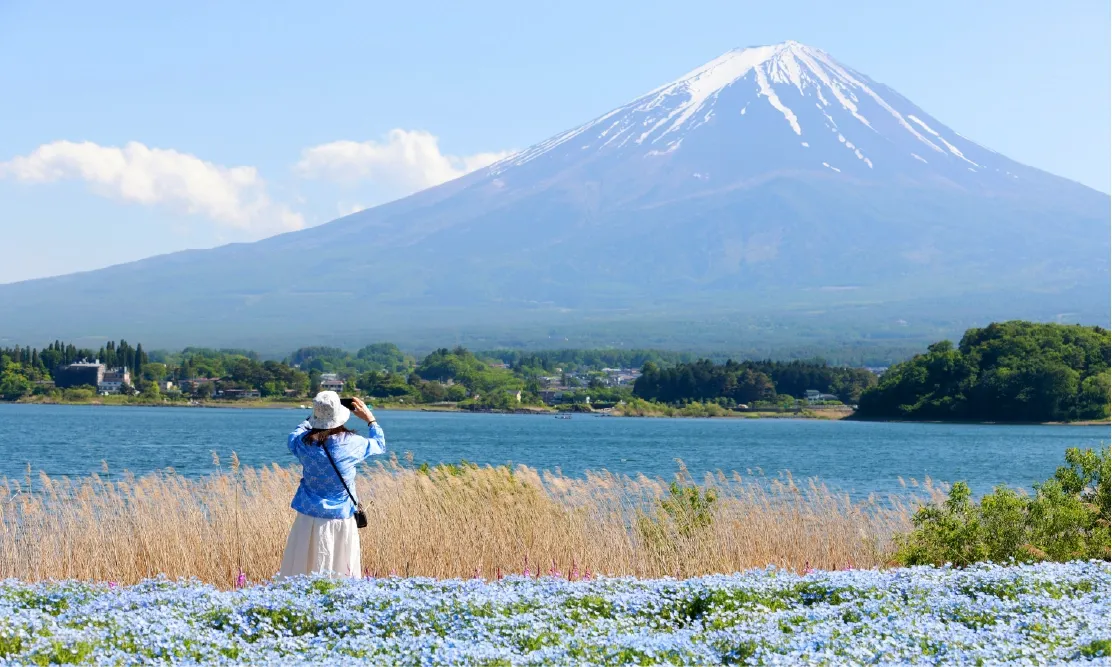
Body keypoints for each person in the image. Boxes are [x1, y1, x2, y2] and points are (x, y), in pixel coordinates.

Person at [278, 391, 385, 578]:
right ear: (340, 416)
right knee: (341, 573)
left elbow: (296, 432)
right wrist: (370, 419)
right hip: (341, 518)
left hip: (307, 519)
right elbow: (379, 444)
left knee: (302, 570)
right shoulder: (353, 444)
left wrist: (314, 417)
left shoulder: (302, 444)